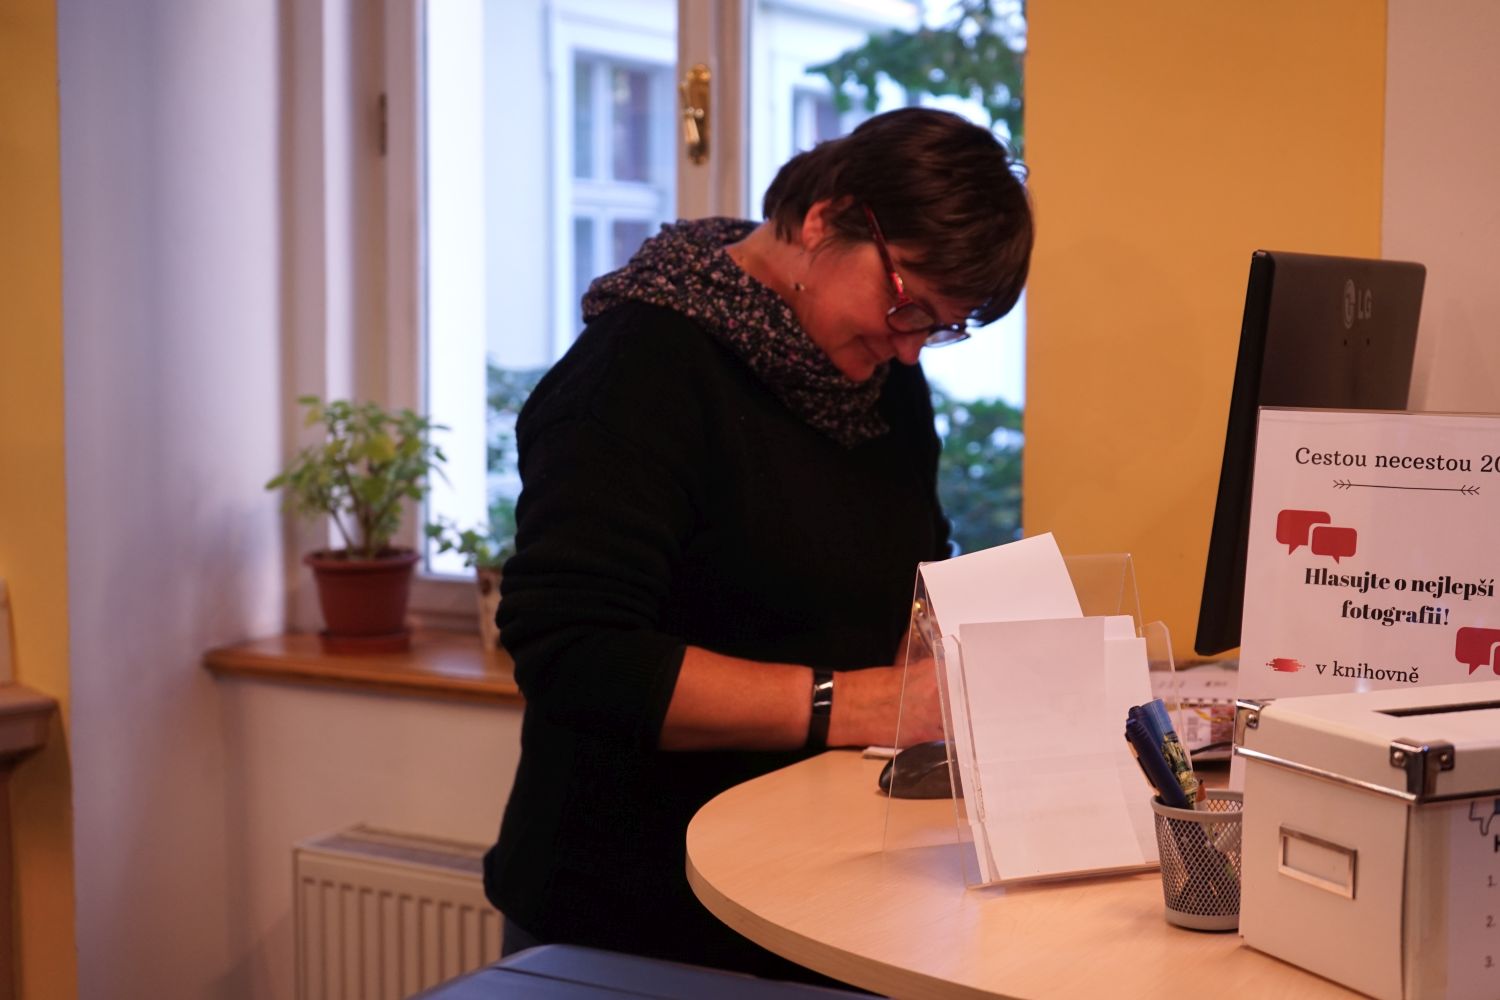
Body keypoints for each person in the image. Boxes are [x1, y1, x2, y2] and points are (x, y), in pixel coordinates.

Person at [485, 107, 1033, 983]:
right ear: (825, 221)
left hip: (820, 889)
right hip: (632, 915)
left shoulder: (878, 381)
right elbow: (576, 656)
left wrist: (936, 643)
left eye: (938, 327)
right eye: (906, 305)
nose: (908, 349)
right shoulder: (637, 371)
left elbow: (908, 567)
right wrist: (862, 704)